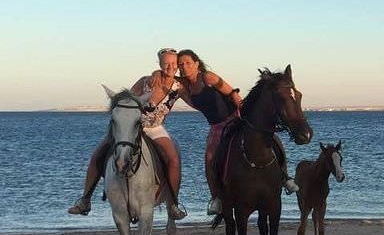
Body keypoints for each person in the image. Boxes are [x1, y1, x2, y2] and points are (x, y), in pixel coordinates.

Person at [175, 49, 298, 216]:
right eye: (180, 64)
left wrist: (244, 115)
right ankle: (216, 198)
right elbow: (197, 106)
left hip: (234, 117)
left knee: (272, 139)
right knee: (210, 159)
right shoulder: (185, 88)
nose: (184, 67)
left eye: (188, 63)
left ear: (197, 63)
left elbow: (232, 93)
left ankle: (285, 177)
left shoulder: (208, 77)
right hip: (216, 126)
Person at [68, 48, 187, 219]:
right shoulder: (146, 81)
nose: (170, 67)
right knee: (97, 155)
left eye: (174, 64)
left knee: (173, 158)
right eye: (166, 63)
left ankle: (174, 204)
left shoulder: (179, 87)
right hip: (132, 127)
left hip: (155, 128)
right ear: (159, 64)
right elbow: (127, 101)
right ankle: (85, 200)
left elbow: (197, 100)